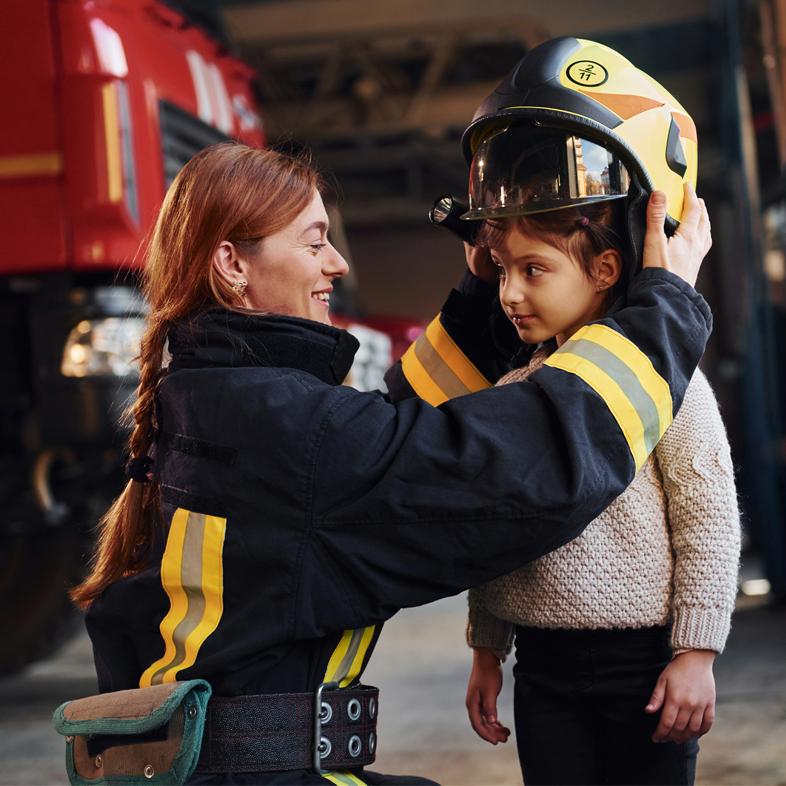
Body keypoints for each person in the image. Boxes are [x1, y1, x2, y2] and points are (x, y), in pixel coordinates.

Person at [68, 57, 710, 786]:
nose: (338, 262)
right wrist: (666, 310)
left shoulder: (227, 397)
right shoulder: (275, 422)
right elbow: (510, 472)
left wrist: (483, 307)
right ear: (231, 266)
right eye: (313, 242)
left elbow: (387, 439)